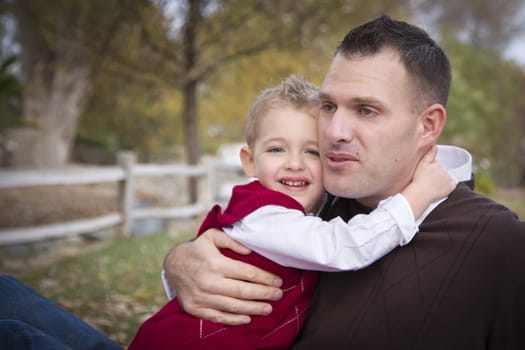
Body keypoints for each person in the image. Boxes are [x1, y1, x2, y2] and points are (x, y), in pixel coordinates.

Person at [164, 15, 525, 349]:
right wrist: (177, 265)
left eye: (366, 110)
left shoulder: (499, 244)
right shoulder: (311, 199)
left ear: (427, 126)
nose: (334, 132)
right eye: (328, 106)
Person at [127, 75, 455, 349]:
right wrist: (418, 195)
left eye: (312, 151)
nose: (294, 163)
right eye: (277, 149)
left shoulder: (303, 212)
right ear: (249, 161)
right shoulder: (263, 215)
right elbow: (344, 247)